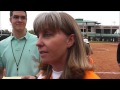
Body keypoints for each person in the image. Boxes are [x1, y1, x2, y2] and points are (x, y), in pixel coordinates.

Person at [22, 11, 100, 79]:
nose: (38, 43)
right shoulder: (43, 76)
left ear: (70, 40)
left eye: (47, 34)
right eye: (38, 36)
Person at [0, 11, 40, 79]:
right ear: (10, 20)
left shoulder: (38, 42)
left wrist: (36, 77)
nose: (20, 20)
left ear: (26, 20)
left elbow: (46, 69)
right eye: (16, 17)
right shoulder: (1, 45)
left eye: (23, 17)